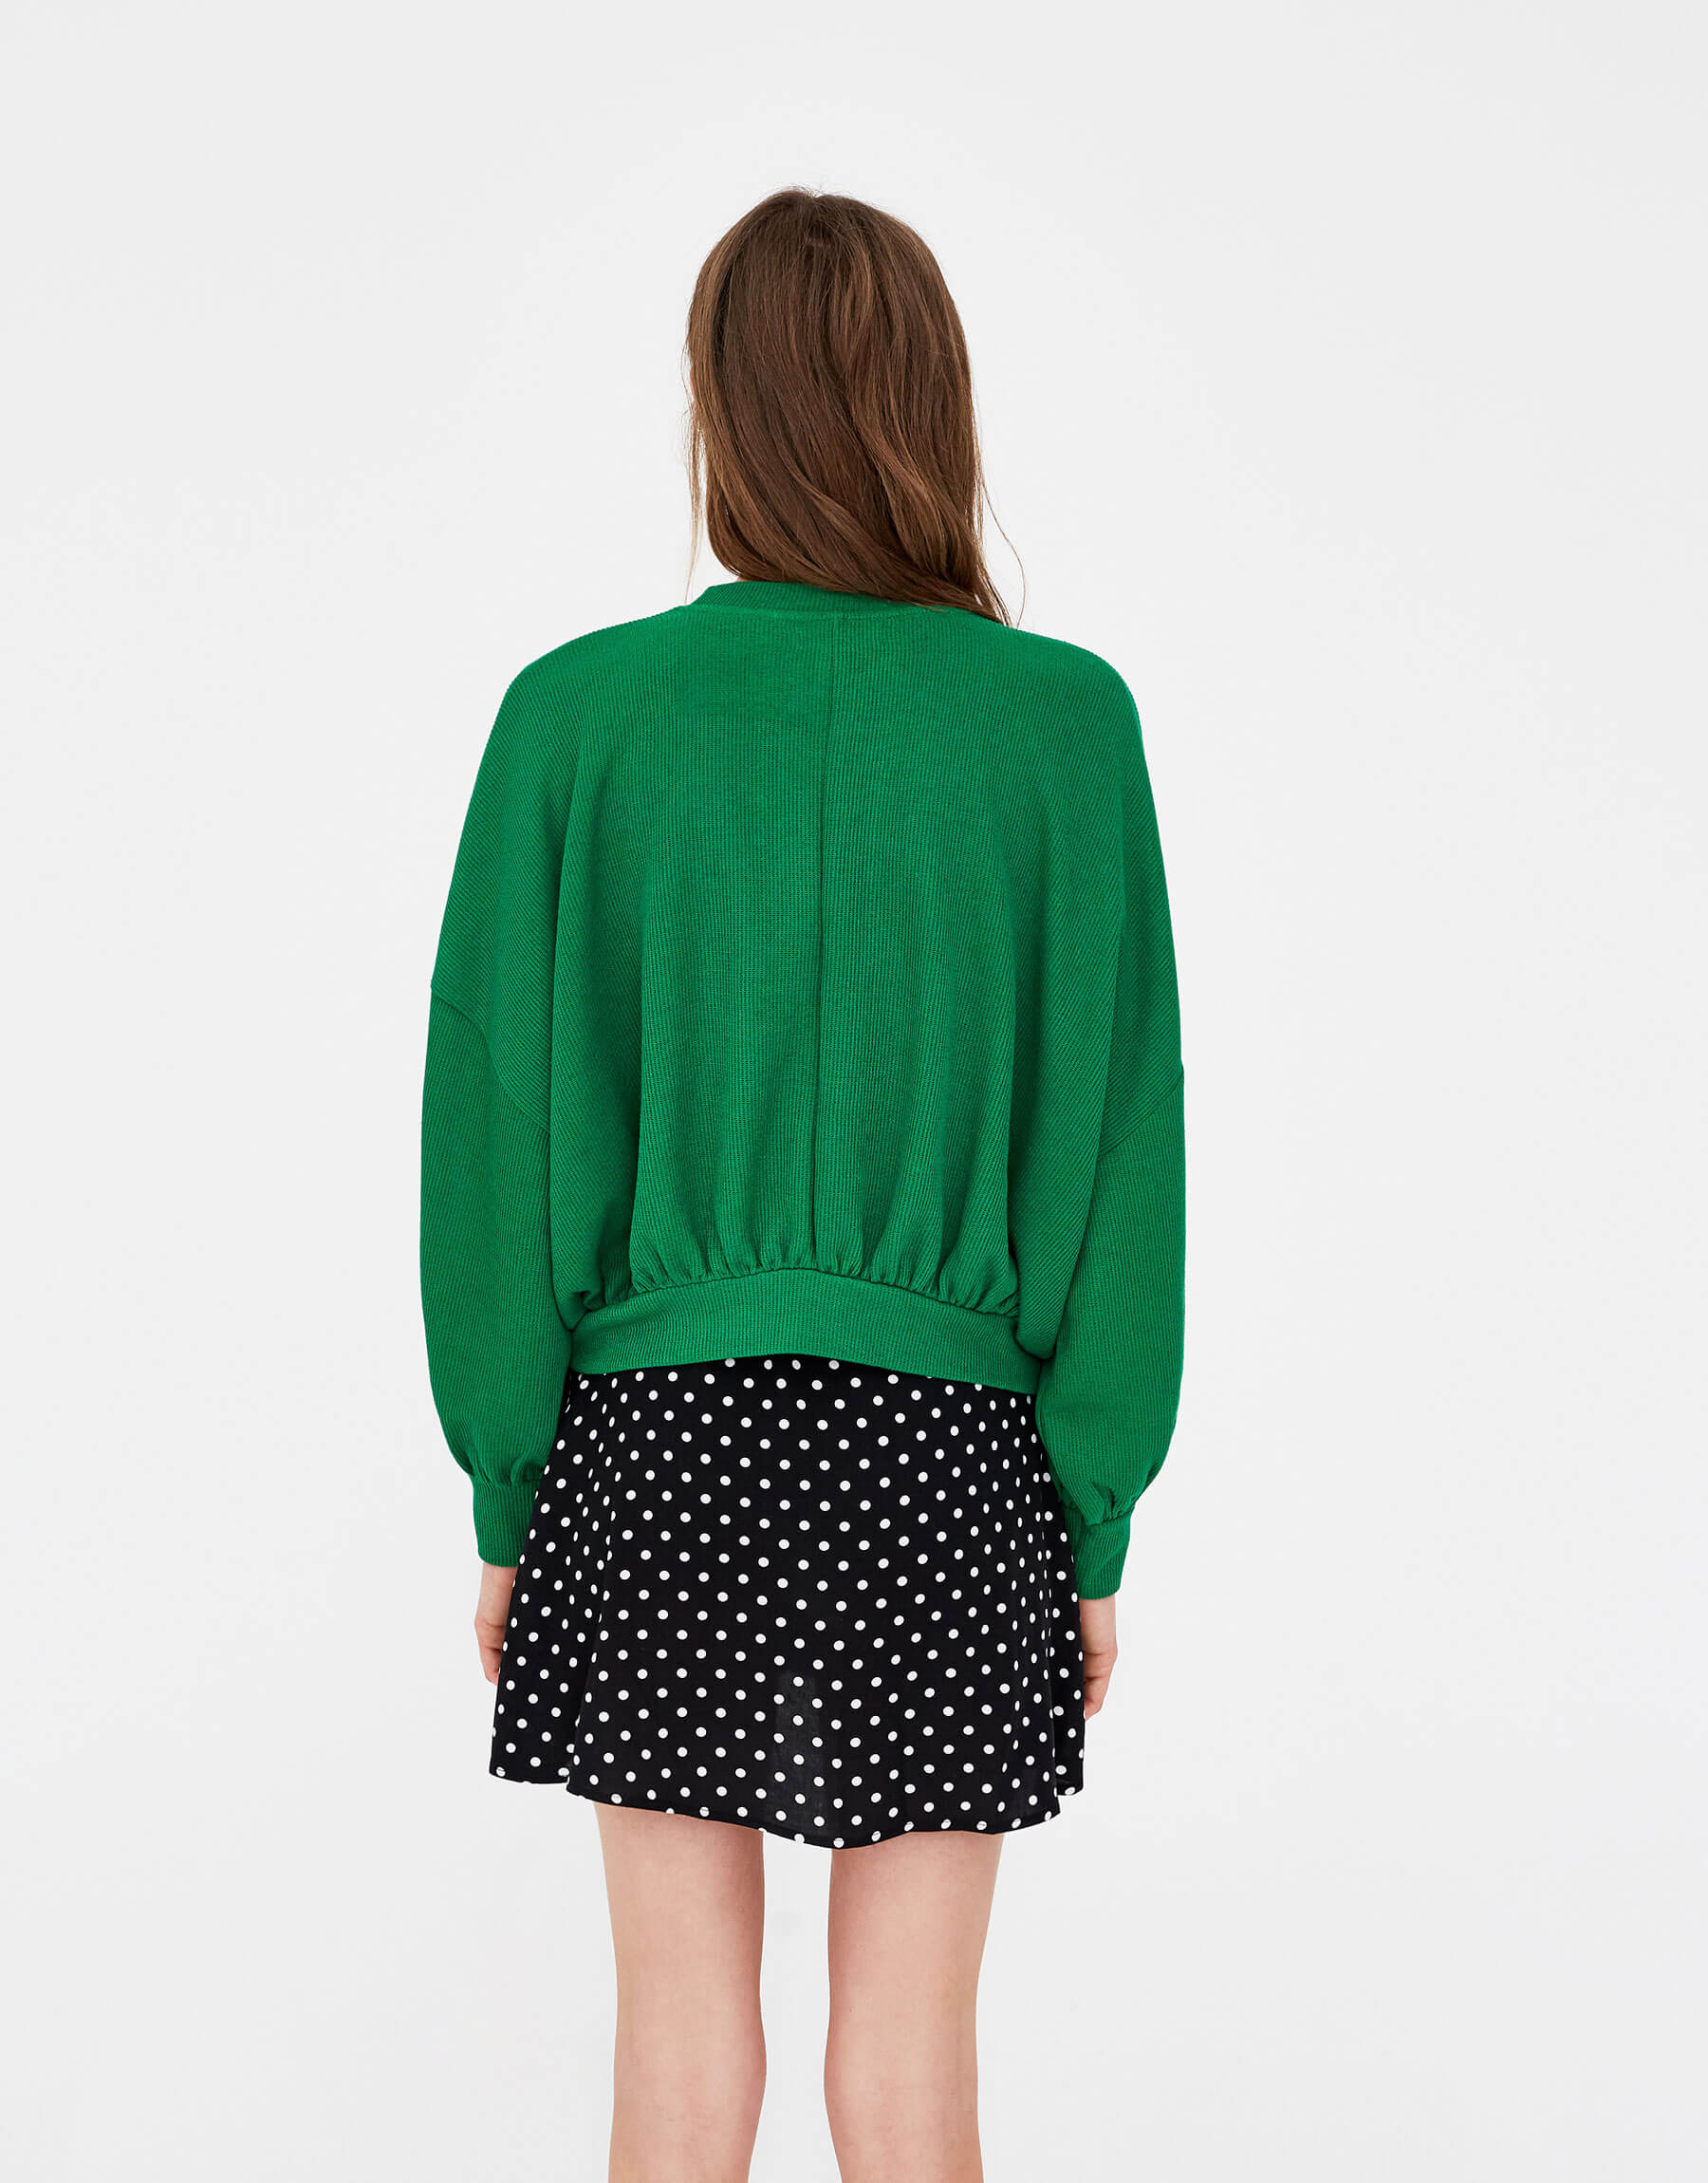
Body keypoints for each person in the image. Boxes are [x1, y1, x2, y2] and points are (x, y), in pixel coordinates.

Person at [420, 186, 1185, 2183]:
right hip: (947, 1456)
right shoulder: (1064, 725)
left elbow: (494, 1134)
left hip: (659, 1442)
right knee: (911, 2058)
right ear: (936, 404)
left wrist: (509, 1490)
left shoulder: (575, 716)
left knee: (681, 2047)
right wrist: (1091, 1515)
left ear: (719, 409)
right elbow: (1123, 1138)